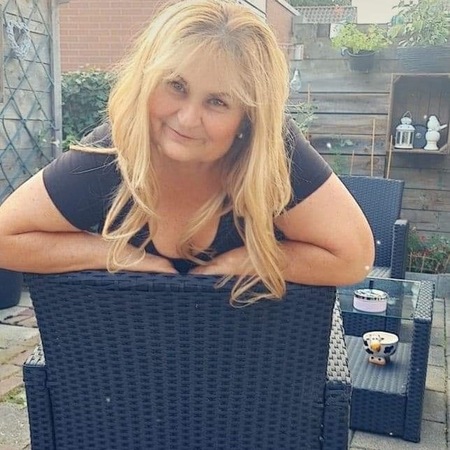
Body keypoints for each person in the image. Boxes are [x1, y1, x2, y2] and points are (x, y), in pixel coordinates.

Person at [0, 0, 374, 305]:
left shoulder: (273, 152)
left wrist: (249, 259)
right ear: (148, 80)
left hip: (250, 361)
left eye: (217, 101)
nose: (187, 118)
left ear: (247, 118)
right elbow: (5, 238)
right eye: (176, 86)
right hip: (129, 360)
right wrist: (120, 255)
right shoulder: (114, 151)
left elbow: (354, 258)